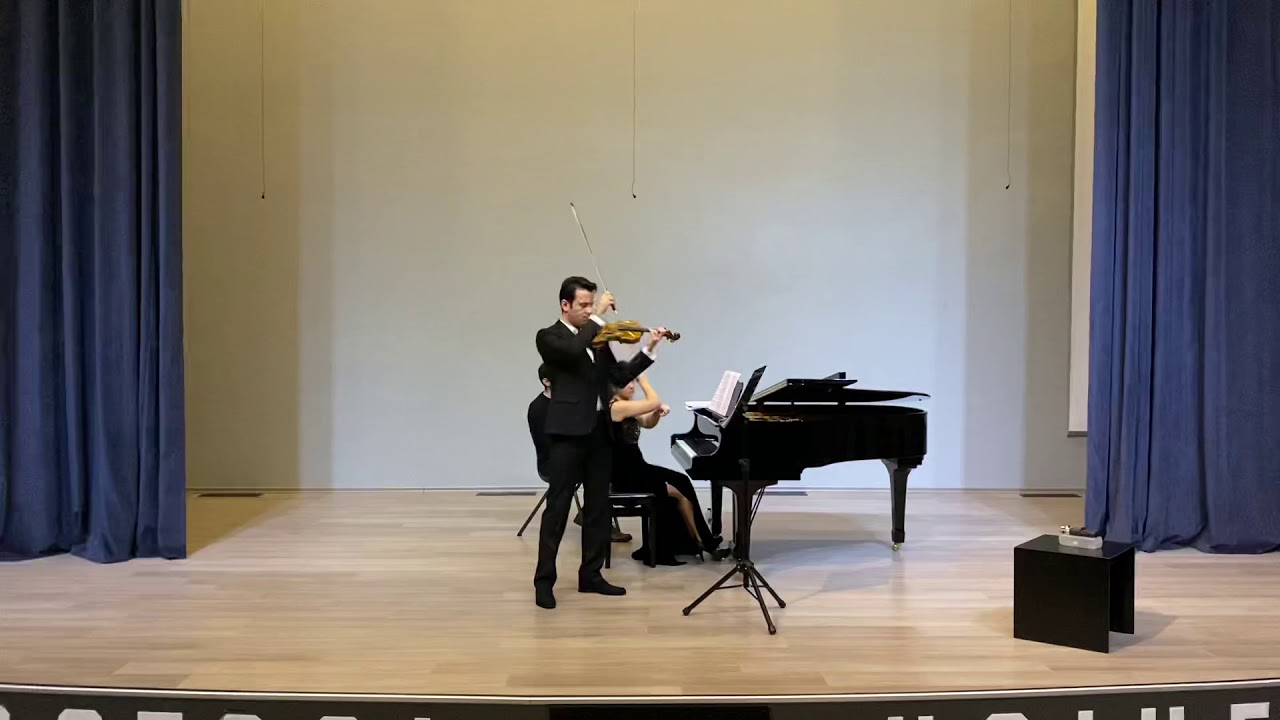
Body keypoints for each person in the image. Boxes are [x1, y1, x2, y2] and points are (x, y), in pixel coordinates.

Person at [533, 276, 672, 609]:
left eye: (590, 304)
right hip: (567, 433)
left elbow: (618, 377)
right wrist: (598, 314)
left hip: (599, 432)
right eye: (582, 305)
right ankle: (544, 582)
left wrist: (649, 348)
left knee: (598, 508)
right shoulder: (549, 337)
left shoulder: (596, 341)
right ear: (565, 305)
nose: (587, 310)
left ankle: (591, 575)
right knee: (557, 508)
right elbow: (571, 351)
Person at [608, 375, 721, 565]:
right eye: (627, 382)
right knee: (677, 494)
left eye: (633, 381)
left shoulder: (626, 405)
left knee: (682, 480)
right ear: (614, 387)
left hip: (637, 468)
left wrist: (655, 413)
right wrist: (644, 381)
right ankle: (699, 542)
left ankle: (699, 541)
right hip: (626, 475)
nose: (632, 386)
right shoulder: (616, 407)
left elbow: (648, 422)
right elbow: (653, 402)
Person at [528, 363, 631, 543]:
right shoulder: (539, 408)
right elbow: (548, 445)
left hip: (570, 457)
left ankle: (592, 516)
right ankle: (599, 522)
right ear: (546, 382)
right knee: (601, 470)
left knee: (606, 462)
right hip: (553, 464)